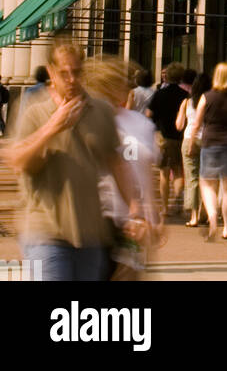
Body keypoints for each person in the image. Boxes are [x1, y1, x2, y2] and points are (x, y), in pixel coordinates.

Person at [1, 39, 143, 281]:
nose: (72, 79)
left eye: (77, 72)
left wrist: (135, 209)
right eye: (64, 73)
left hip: (91, 233)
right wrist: (51, 128)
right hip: (42, 231)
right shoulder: (34, 111)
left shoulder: (101, 110)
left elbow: (116, 162)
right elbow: (17, 161)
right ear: (51, 72)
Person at [84, 56, 161, 280]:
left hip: (134, 223)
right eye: (121, 82)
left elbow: (145, 173)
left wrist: (152, 212)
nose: (128, 87)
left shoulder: (141, 124)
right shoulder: (90, 120)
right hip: (99, 219)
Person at [189, 62, 227, 240]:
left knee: (207, 184)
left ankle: (213, 219)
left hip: (210, 143)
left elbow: (197, 123)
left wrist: (192, 141)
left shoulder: (207, 97)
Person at [146, 62, 187, 217]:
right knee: (177, 171)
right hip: (179, 136)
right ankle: (177, 204)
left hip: (161, 136)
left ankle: (164, 207)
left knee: (163, 173)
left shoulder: (159, 94)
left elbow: (149, 114)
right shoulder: (184, 95)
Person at [177, 72, 210, 228]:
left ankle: (194, 216)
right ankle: (206, 211)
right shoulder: (210, 102)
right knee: (207, 178)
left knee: (192, 178)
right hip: (207, 140)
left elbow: (179, 125)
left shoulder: (186, 102)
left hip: (190, 138)